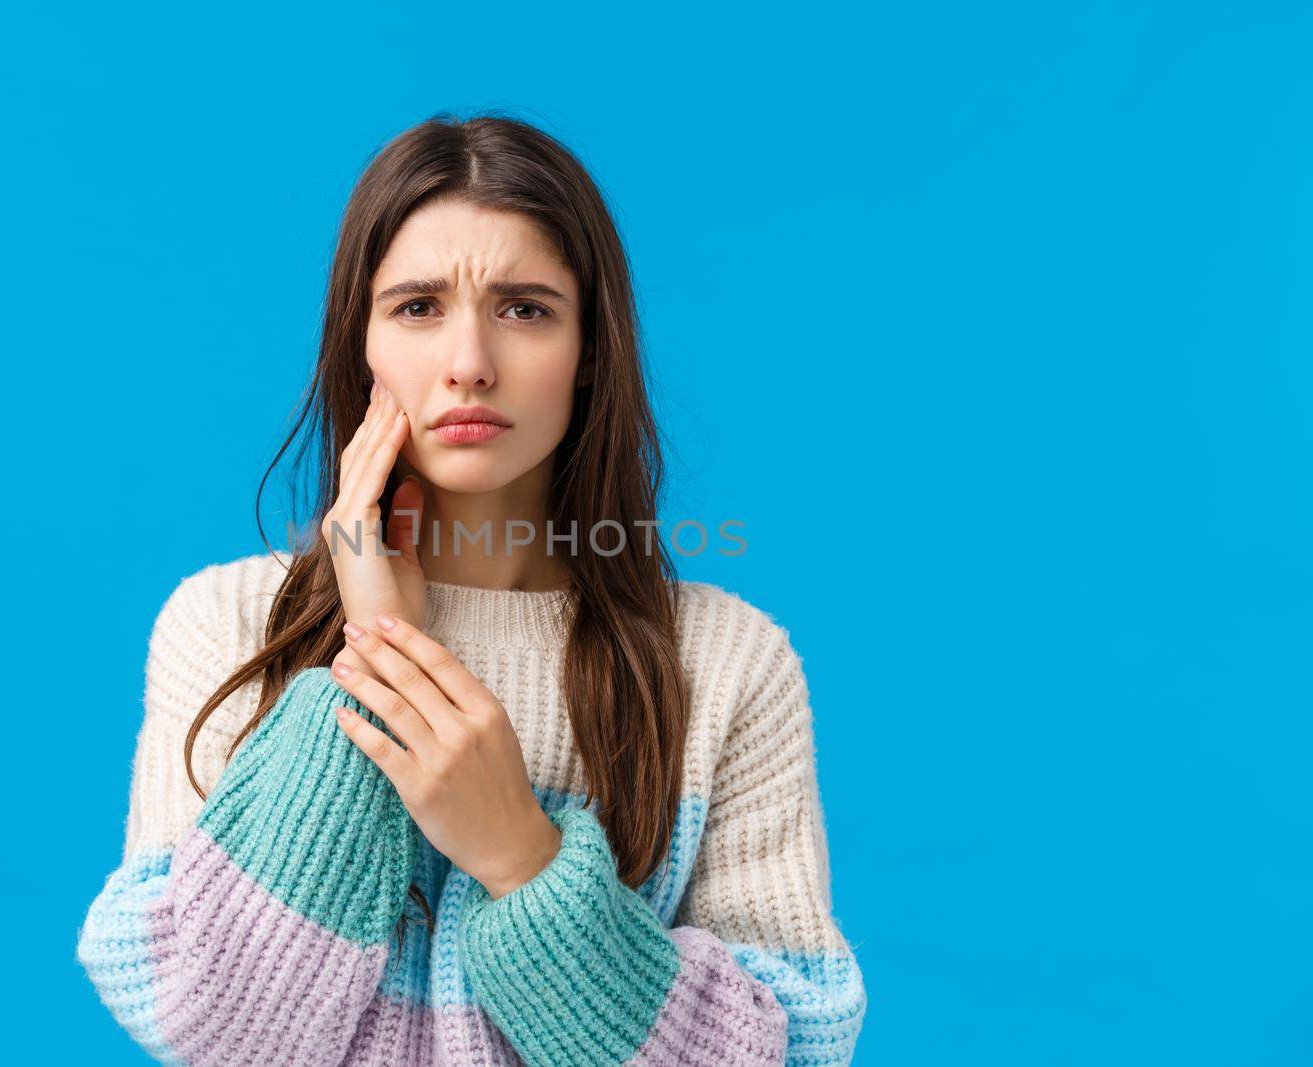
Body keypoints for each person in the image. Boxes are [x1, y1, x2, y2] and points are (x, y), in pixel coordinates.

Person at [75, 111, 867, 1066]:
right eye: (417, 306)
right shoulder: (232, 622)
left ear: (589, 355)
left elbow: (797, 1052)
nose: (470, 364)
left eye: (526, 308)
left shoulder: (727, 664)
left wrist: (523, 859)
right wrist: (374, 658)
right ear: (357, 346)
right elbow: (212, 1027)